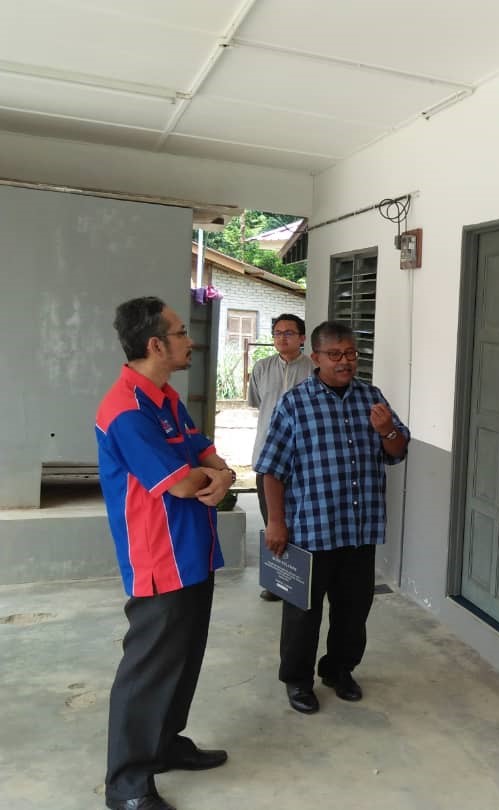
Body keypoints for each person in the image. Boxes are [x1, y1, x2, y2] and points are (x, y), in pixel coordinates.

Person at [95, 297, 234, 810]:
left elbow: (201, 449)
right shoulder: (127, 410)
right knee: (149, 669)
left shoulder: (164, 397)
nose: (188, 339)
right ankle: (127, 783)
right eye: (179, 332)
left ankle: (166, 743)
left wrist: (218, 473)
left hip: (193, 549)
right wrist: (216, 478)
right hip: (160, 558)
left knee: (184, 657)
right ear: (155, 344)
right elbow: (178, 485)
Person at [255, 320, 409, 714]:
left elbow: (398, 450)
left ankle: (339, 670)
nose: (345, 362)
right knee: (303, 614)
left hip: (359, 529)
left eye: (351, 354)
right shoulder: (295, 403)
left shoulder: (371, 397)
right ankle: (297, 680)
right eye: (335, 355)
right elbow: (271, 469)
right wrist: (276, 522)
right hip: (311, 528)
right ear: (316, 358)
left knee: (353, 612)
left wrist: (388, 430)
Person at [247, 313, 314, 602]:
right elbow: (257, 404)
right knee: (272, 520)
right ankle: (277, 581)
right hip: (268, 456)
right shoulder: (261, 368)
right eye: (277, 333)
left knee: (302, 520)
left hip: (305, 459)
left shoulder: (314, 369)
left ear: (302, 338)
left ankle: (306, 580)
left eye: (289, 333)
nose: (281, 338)